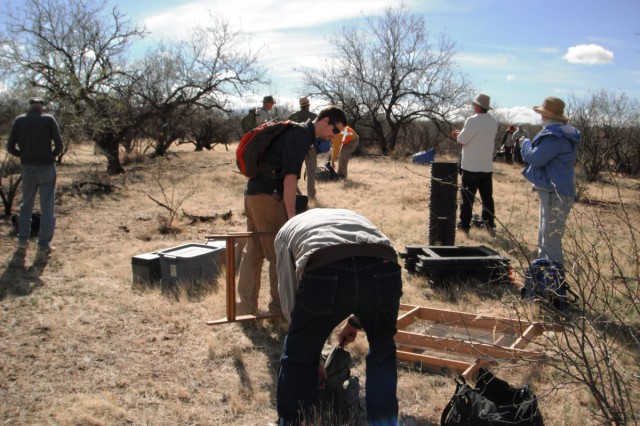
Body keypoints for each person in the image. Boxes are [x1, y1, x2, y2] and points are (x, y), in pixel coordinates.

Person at [274, 208, 403, 426]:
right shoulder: (355, 218)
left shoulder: (285, 233)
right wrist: (356, 320)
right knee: (382, 353)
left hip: (326, 268)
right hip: (385, 266)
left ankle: (293, 421)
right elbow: (363, 270)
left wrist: (308, 353)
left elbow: (290, 300)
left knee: (297, 358)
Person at [236, 107, 348, 316]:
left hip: (253, 194)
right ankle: (280, 310)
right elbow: (289, 180)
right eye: (336, 130)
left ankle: (246, 307)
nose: (335, 136)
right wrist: (292, 220)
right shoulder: (300, 136)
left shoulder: (295, 131)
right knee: (279, 254)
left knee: (253, 250)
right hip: (269, 197)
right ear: (325, 121)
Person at [521, 96, 580, 267]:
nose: (540, 117)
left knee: (550, 243)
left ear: (547, 116)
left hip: (554, 193)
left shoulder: (554, 136)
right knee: (547, 239)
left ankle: (552, 286)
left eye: (542, 114)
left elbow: (536, 158)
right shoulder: (564, 133)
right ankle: (545, 282)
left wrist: (524, 144)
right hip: (557, 191)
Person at [7, 97, 65, 256]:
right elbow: (60, 146)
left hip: (28, 167)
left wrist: (23, 155)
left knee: (26, 204)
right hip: (46, 167)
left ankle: (22, 241)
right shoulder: (48, 119)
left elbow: (10, 147)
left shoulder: (19, 120)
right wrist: (50, 156)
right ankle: (43, 245)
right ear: (43, 107)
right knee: (47, 206)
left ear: (30, 106)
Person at [451, 93, 498, 234]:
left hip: (471, 167)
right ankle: (489, 224)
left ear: (478, 106)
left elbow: (462, 140)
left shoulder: (472, 121)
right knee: (487, 198)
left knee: (467, 198)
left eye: (474, 105)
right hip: (486, 167)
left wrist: (456, 135)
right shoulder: (493, 122)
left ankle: (464, 225)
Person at [288, 97, 319, 199]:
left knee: (294, 172)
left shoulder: (292, 116)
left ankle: (294, 195)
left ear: (300, 105)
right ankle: (311, 196)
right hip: (311, 147)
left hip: (296, 147)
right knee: (311, 173)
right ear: (308, 105)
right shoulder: (315, 117)